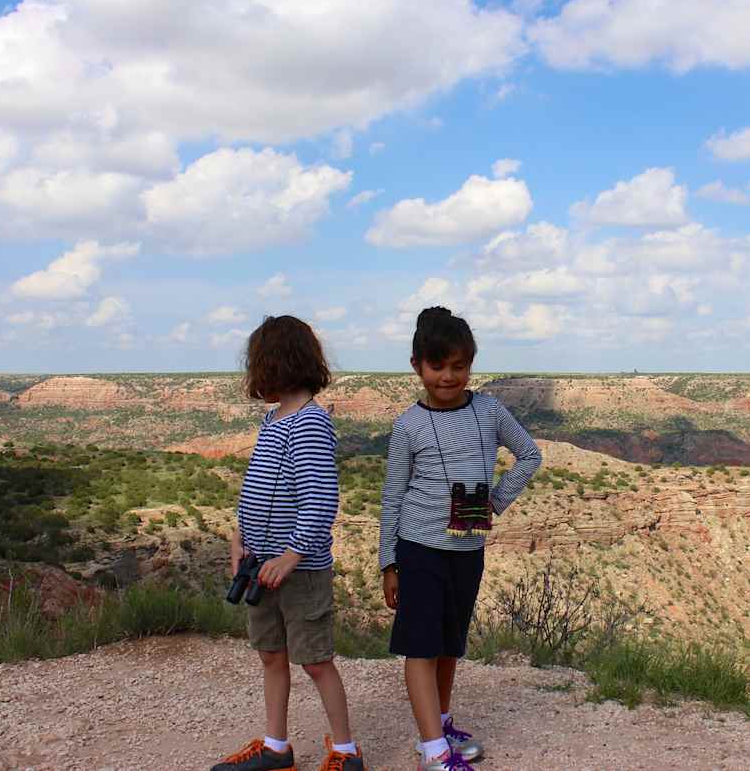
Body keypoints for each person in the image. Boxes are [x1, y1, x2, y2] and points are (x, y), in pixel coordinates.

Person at [379, 306, 542, 771]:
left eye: (459, 366)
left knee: (450, 642)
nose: (448, 377)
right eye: (437, 366)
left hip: (468, 548)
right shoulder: (408, 424)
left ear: (471, 364)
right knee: (421, 645)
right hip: (419, 548)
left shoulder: (489, 410)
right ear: (417, 365)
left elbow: (529, 455)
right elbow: (392, 494)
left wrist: (493, 501)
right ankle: (432, 752)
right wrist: (388, 562)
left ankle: (441, 725)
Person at [213, 316, 365, 771]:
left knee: (315, 661)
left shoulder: (310, 423)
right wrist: (240, 537)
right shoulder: (273, 418)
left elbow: (321, 499)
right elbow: (257, 487)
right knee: (271, 656)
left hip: (300, 572)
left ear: (274, 365)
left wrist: (292, 555)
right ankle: (277, 749)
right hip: (261, 566)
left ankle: (345, 752)